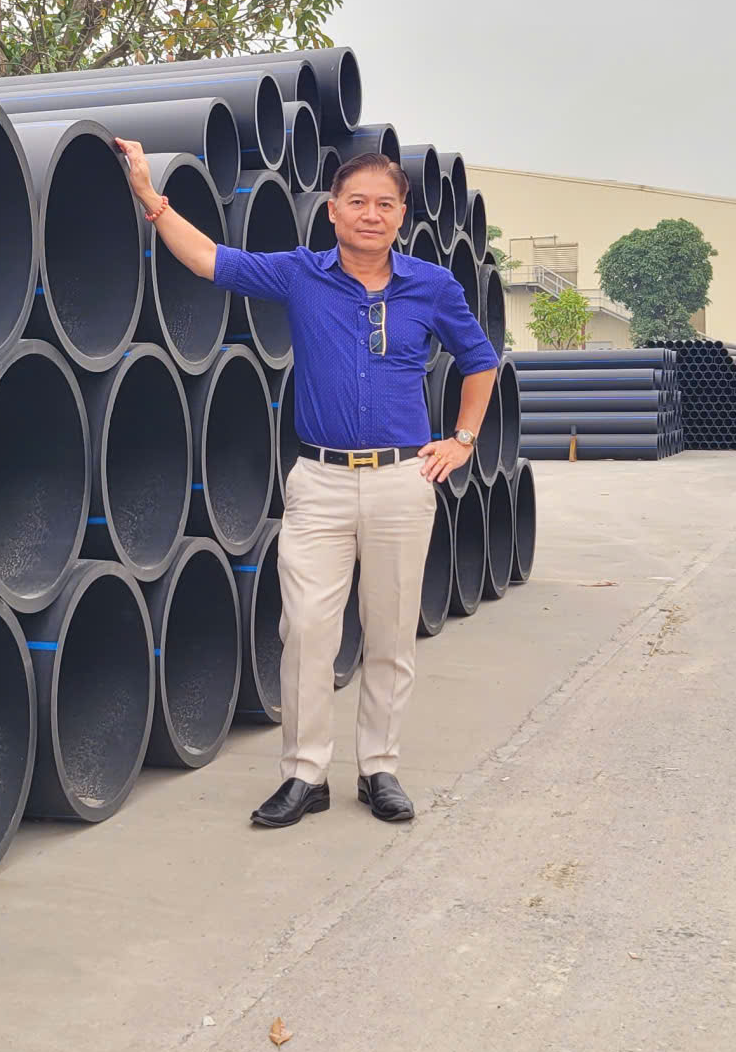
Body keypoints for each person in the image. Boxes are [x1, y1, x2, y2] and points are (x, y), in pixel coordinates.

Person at [116, 140, 497, 829]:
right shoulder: (300, 274)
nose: (371, 214)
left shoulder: (432, 286)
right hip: (320, 483)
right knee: (306, 631)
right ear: (333, 212)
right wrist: (150, 197)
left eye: (385, 204)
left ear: (402, 214)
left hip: (401, 481)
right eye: (358, 202)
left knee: (390, 633)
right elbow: (209, 260)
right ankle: (304, 774)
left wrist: (462, 440)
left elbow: (479, 361)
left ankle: (379, 769)